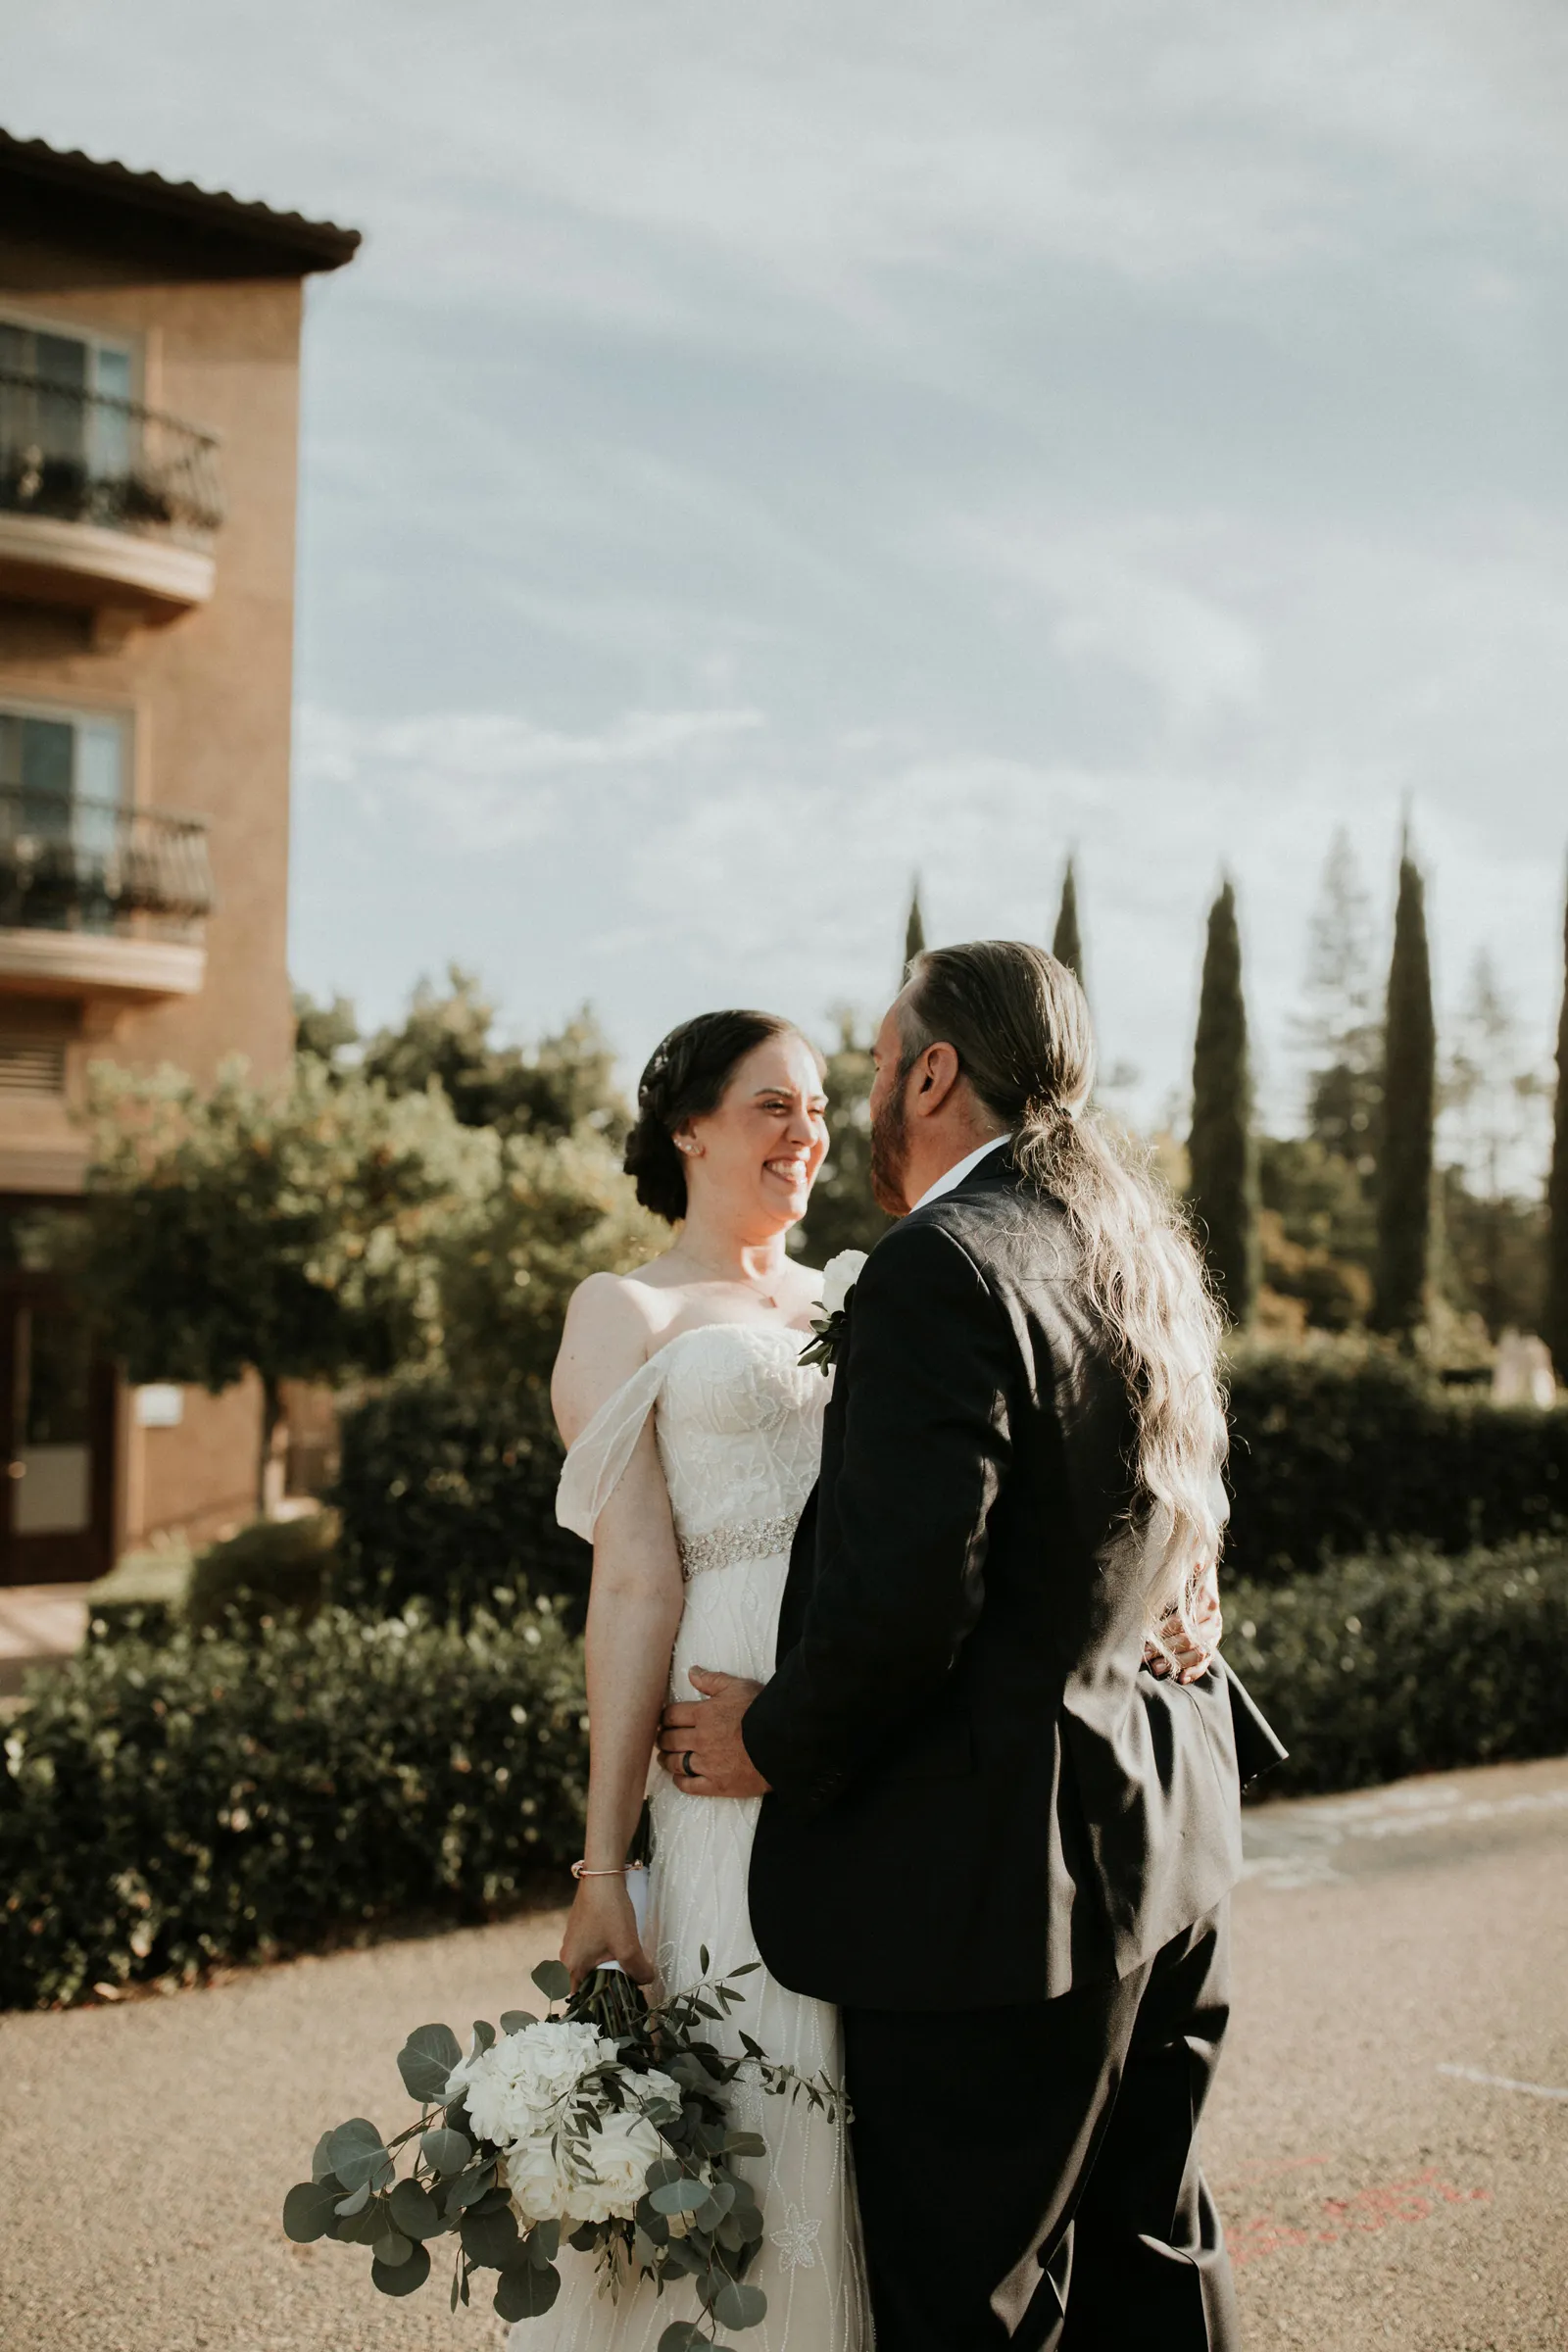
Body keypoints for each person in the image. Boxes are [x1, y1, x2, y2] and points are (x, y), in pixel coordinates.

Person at [660, 941, 1286, 2352]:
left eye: (879, 1065)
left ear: (932, 1072)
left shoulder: (940, 1264)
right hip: (1169, 1845)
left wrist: (768, 1739)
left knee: (973, 2306)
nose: (864, 1102)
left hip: (1004, 1897)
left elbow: (905, 1603)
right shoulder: (1122, 1237)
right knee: (1153, 2251)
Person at [538, 1007, 870, 2351]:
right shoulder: (627, 1310)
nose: (809, 1135)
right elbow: (631, 1583)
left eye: (819, 1108)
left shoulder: (857, 1297)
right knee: (756, 2070)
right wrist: (604, 1865)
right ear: (688, 1124)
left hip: (862, 1726)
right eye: (772, 1106)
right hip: (714, 1756)